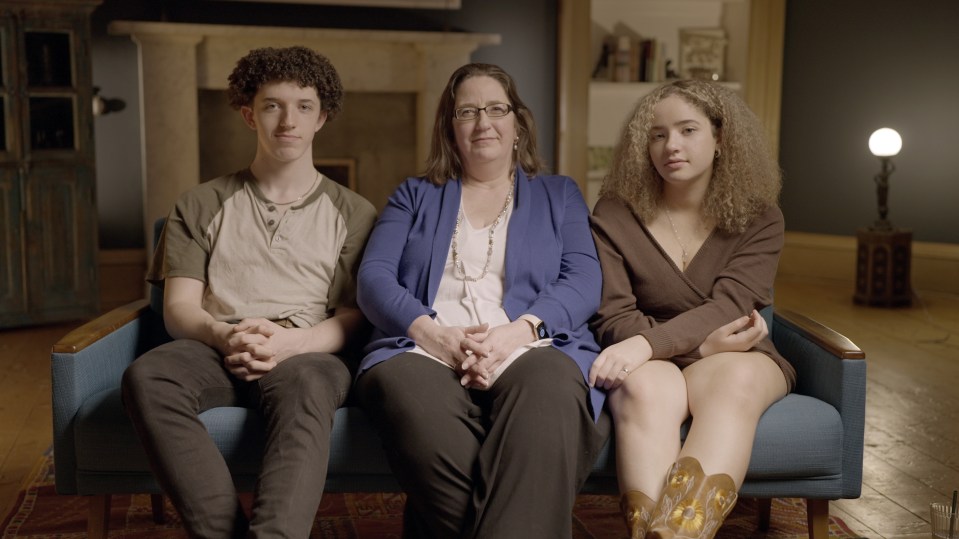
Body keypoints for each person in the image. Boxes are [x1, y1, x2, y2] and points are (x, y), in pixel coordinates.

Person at [121, 46, 377, 538]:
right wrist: (224, 336)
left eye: (304, 106)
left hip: (306, 351)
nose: (288, 120)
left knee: (310, 386)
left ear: (322, 117)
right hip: (215, 345)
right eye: (271, 105)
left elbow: (352, 317)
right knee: (148, 377)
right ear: (248, 114)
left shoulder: (356, 212)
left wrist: (288, 345)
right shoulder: (199, 203)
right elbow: (178, 309)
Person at [354, 62, 610, 538]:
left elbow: (584, 279)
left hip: (530, 343)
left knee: (554, 386)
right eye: (466, 111)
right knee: (406, 393)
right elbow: (373, 278)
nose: (482, 122)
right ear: (450, 129)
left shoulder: (560, 194)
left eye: (496, 108)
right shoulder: (413, 195)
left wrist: (517, 333)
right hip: (422, 349)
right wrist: (435, 336)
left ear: (518, 124)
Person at [589, 79, 795, 539]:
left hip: (733, 352)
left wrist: (652, 343)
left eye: (687, 130)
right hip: (653, 356)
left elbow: (733, 305)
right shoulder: (614, 212)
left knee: (737, 378)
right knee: (643, 388)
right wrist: (697, 348)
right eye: (658, 134)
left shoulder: (761, 216)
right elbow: (614, 315)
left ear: (721, 139)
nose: (670, 146)